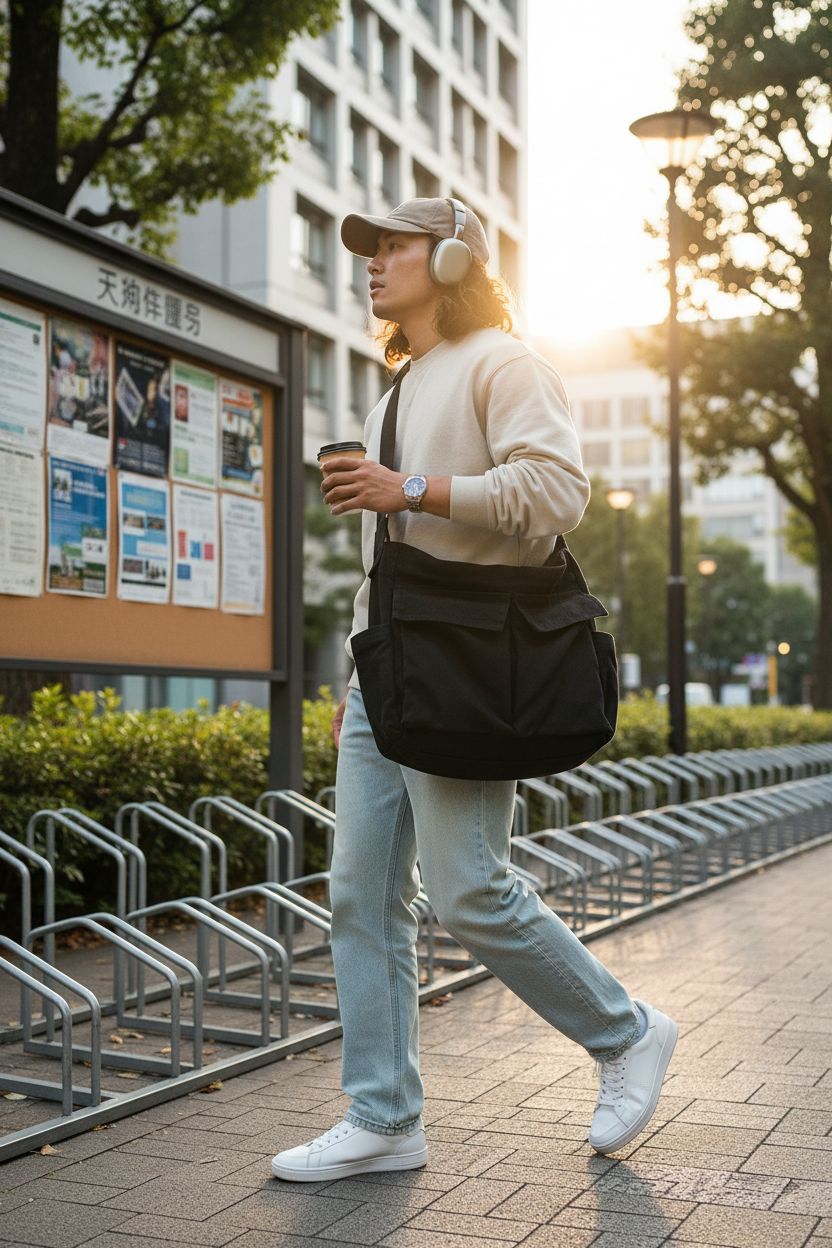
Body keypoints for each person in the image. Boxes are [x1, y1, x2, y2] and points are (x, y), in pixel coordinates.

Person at [271, 198, 677, 1183]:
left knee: (465, 885)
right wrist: (358, 671)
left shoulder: (506, 359)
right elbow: (390, 556)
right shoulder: (399, 383)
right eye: (368, 251)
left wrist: (411, 487)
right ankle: (383, 1117)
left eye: (394, 246)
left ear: (453, 257)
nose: (373, 264)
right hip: (396, 667)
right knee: (360, 894)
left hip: (466, 664)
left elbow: (551, 495)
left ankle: (625, 1032)